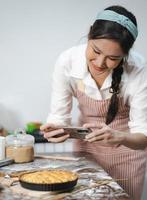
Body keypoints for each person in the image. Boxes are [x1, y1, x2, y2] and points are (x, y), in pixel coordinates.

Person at [40, 5, 147, 200]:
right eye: (95, 51)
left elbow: (143, 136)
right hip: (86, 151)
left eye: (113, 58)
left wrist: (119, 137)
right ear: (89, 35)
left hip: (127, 157)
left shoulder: (139, 70)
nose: (99, 63)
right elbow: (58, 116)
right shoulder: (67, 61)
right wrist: (56, 131)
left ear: (125, 56)